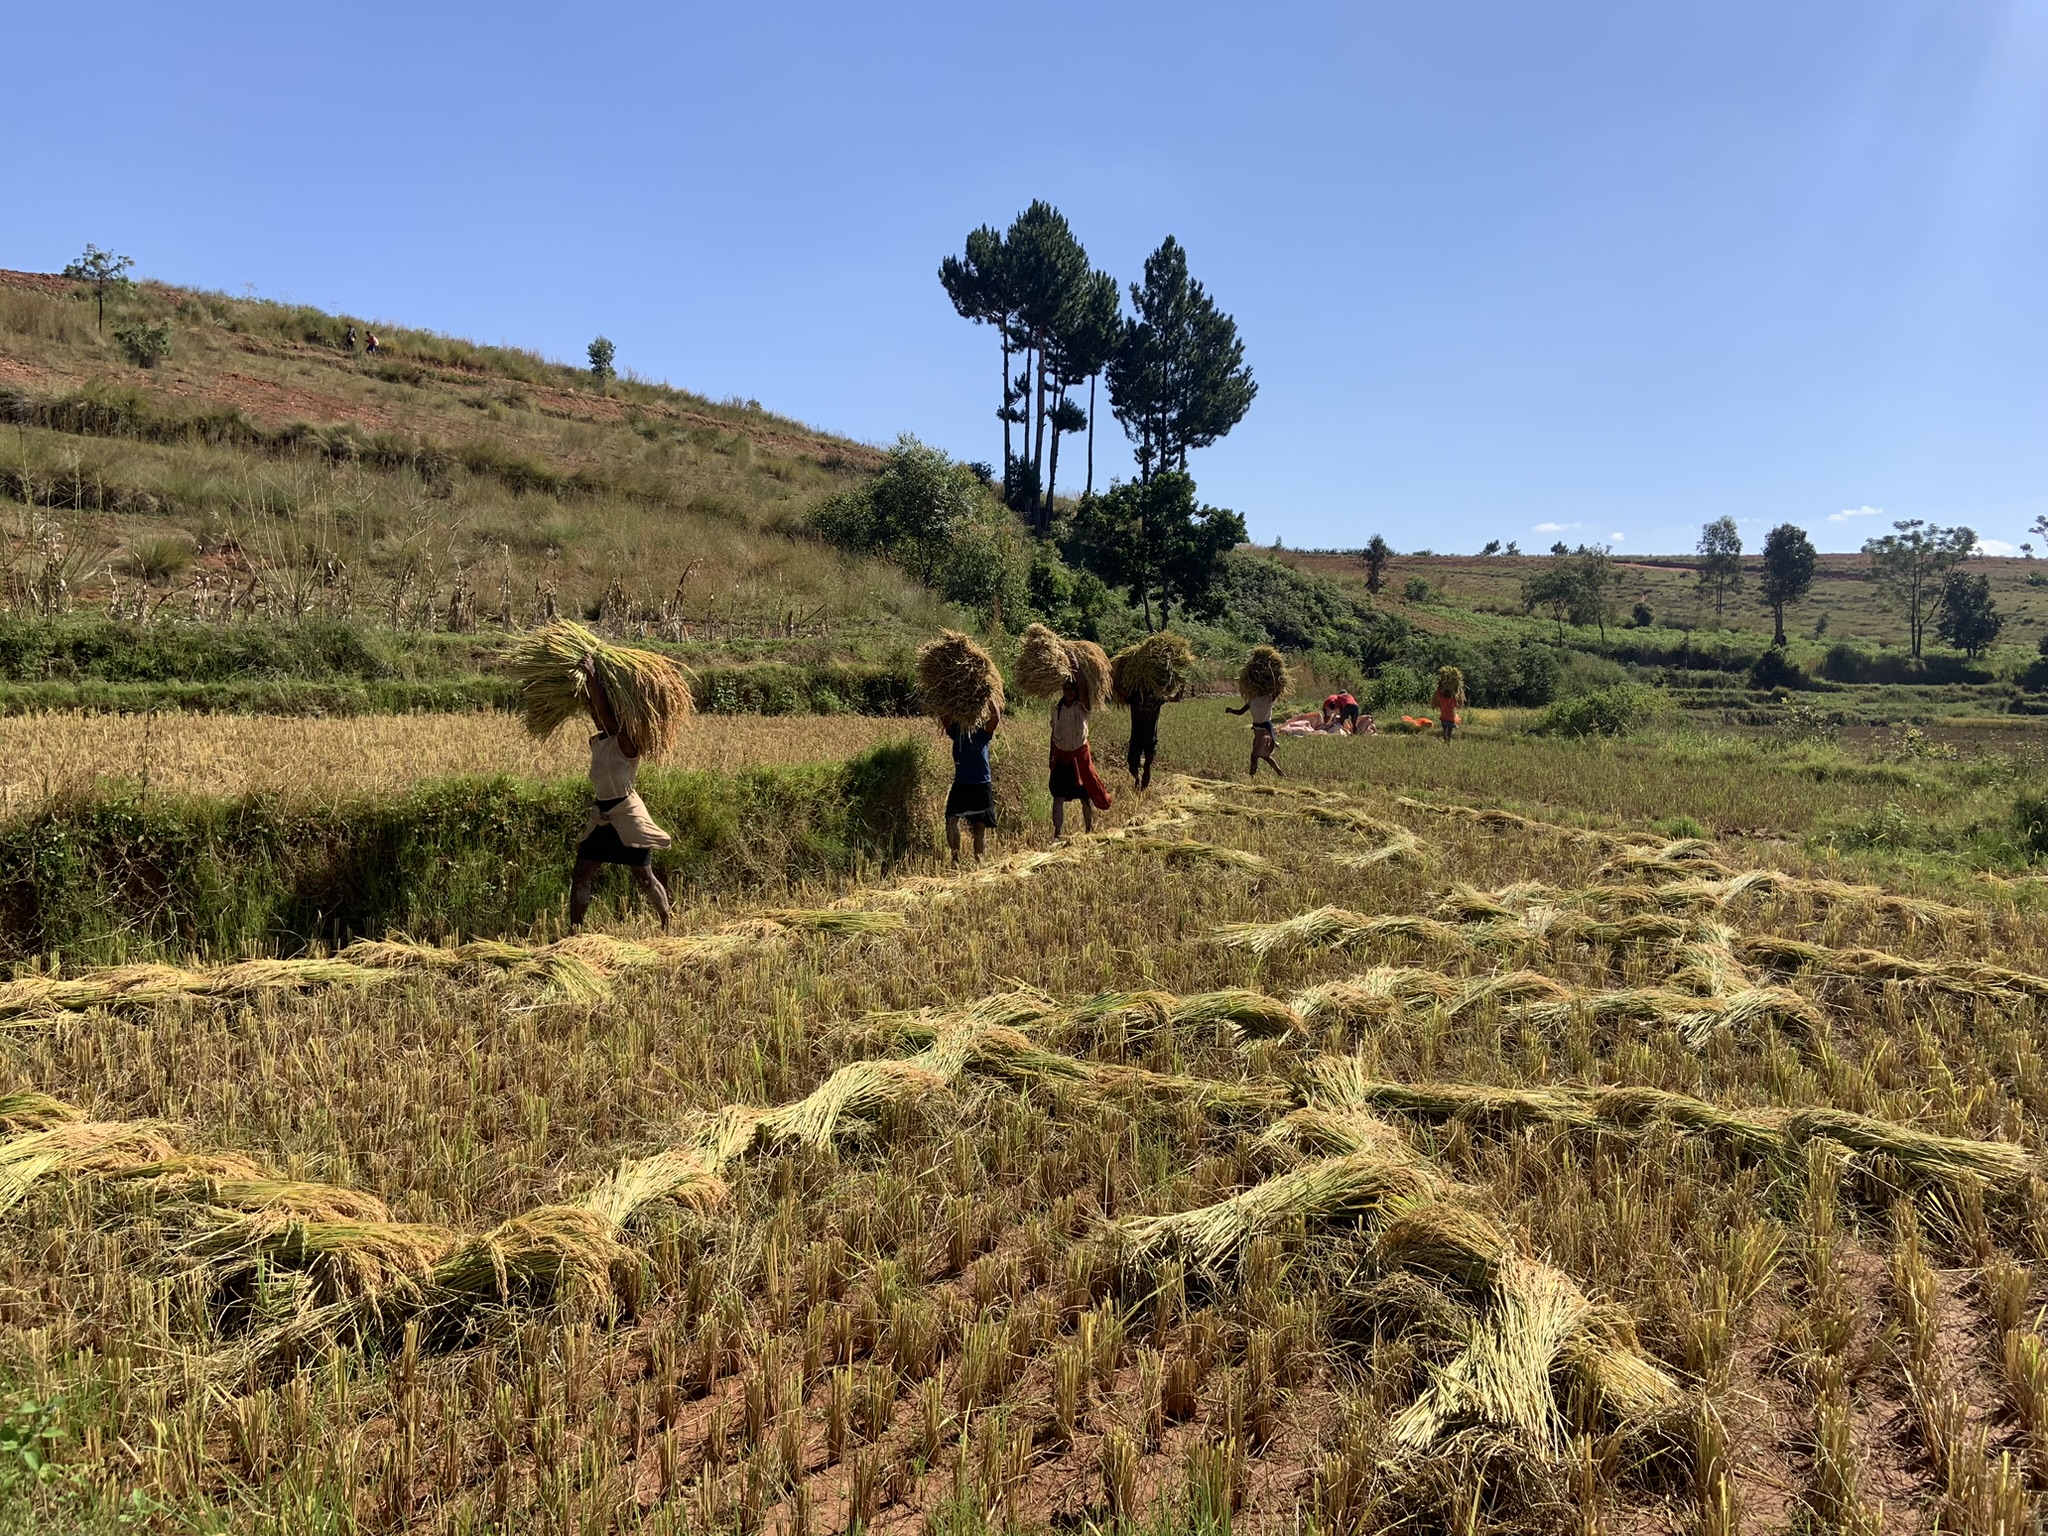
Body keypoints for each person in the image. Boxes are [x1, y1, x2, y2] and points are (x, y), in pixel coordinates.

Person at [570, 656, 673, 930]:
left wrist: (593, 678)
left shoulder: (627, 743)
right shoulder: (597, 743)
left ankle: (667, 922)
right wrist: (589, 691)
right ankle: (575, 932)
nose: (595, 716)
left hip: (627, 815)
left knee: (644, 877)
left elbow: (605, 715)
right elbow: (600, 714)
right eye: (592, 713)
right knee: (581, 874)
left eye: (600, 713)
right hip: (602, 816)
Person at [1049, 679, 1111, 837]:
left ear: (1077, 691)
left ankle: (1089, 830)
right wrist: (1051, 755)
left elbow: (1085, 690)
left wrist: (1077, 669)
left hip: (1078, 755)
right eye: (1066, 688)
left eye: (1072, 688)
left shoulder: (1082, 707)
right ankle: (1057, 833)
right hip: (1062, 757)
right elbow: (1054, 733)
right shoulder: (1056, 709)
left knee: (1085, 796)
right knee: (1058, 796)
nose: (1069, 691)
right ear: (1063, 689)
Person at [943, 709, 999, 862]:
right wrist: (947, 702)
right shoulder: (957, 732)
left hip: (981, 783)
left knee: (979, 827)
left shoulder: (982, 733)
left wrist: (991, 695)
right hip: (961, 783)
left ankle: (979, 863)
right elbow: (945, 719)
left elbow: (995, 719)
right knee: (951, 819)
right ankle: (955, 858)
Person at [1225, 690, 1285, 776]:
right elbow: (1241, 711)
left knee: (1255, 755)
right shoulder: (1252, 699)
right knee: (1265, 756)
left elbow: (1278, 691)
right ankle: (1281, 774)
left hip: (1265, 731)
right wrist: (1231, 711)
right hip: (1257, 731)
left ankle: (1251, 776)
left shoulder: (1269, 698)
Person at [1126, 695, 1162, 790]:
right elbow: (1119, 690)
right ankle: (1137, 778)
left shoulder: (1157, 696)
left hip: (1150, 737)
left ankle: (1142, 790)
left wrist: (1182, 684)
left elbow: (1176, 698)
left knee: (1147, 765)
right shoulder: (1134, 695)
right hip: (1137, 737)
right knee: (1132, 766)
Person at [1433, 677, 1463, 741]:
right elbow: (1439, 693)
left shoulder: (1449, 700)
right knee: (1447, 732)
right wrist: (1440, 686)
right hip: (1446, 718)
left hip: (1449, 719)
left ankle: (1447, 742)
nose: (1448, 694)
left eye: (1449, 693)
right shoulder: (1446, 700)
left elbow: (1456, 702)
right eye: (1447, 693)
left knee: (1448, 732)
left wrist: (1439, 687)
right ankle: (1446, 742)